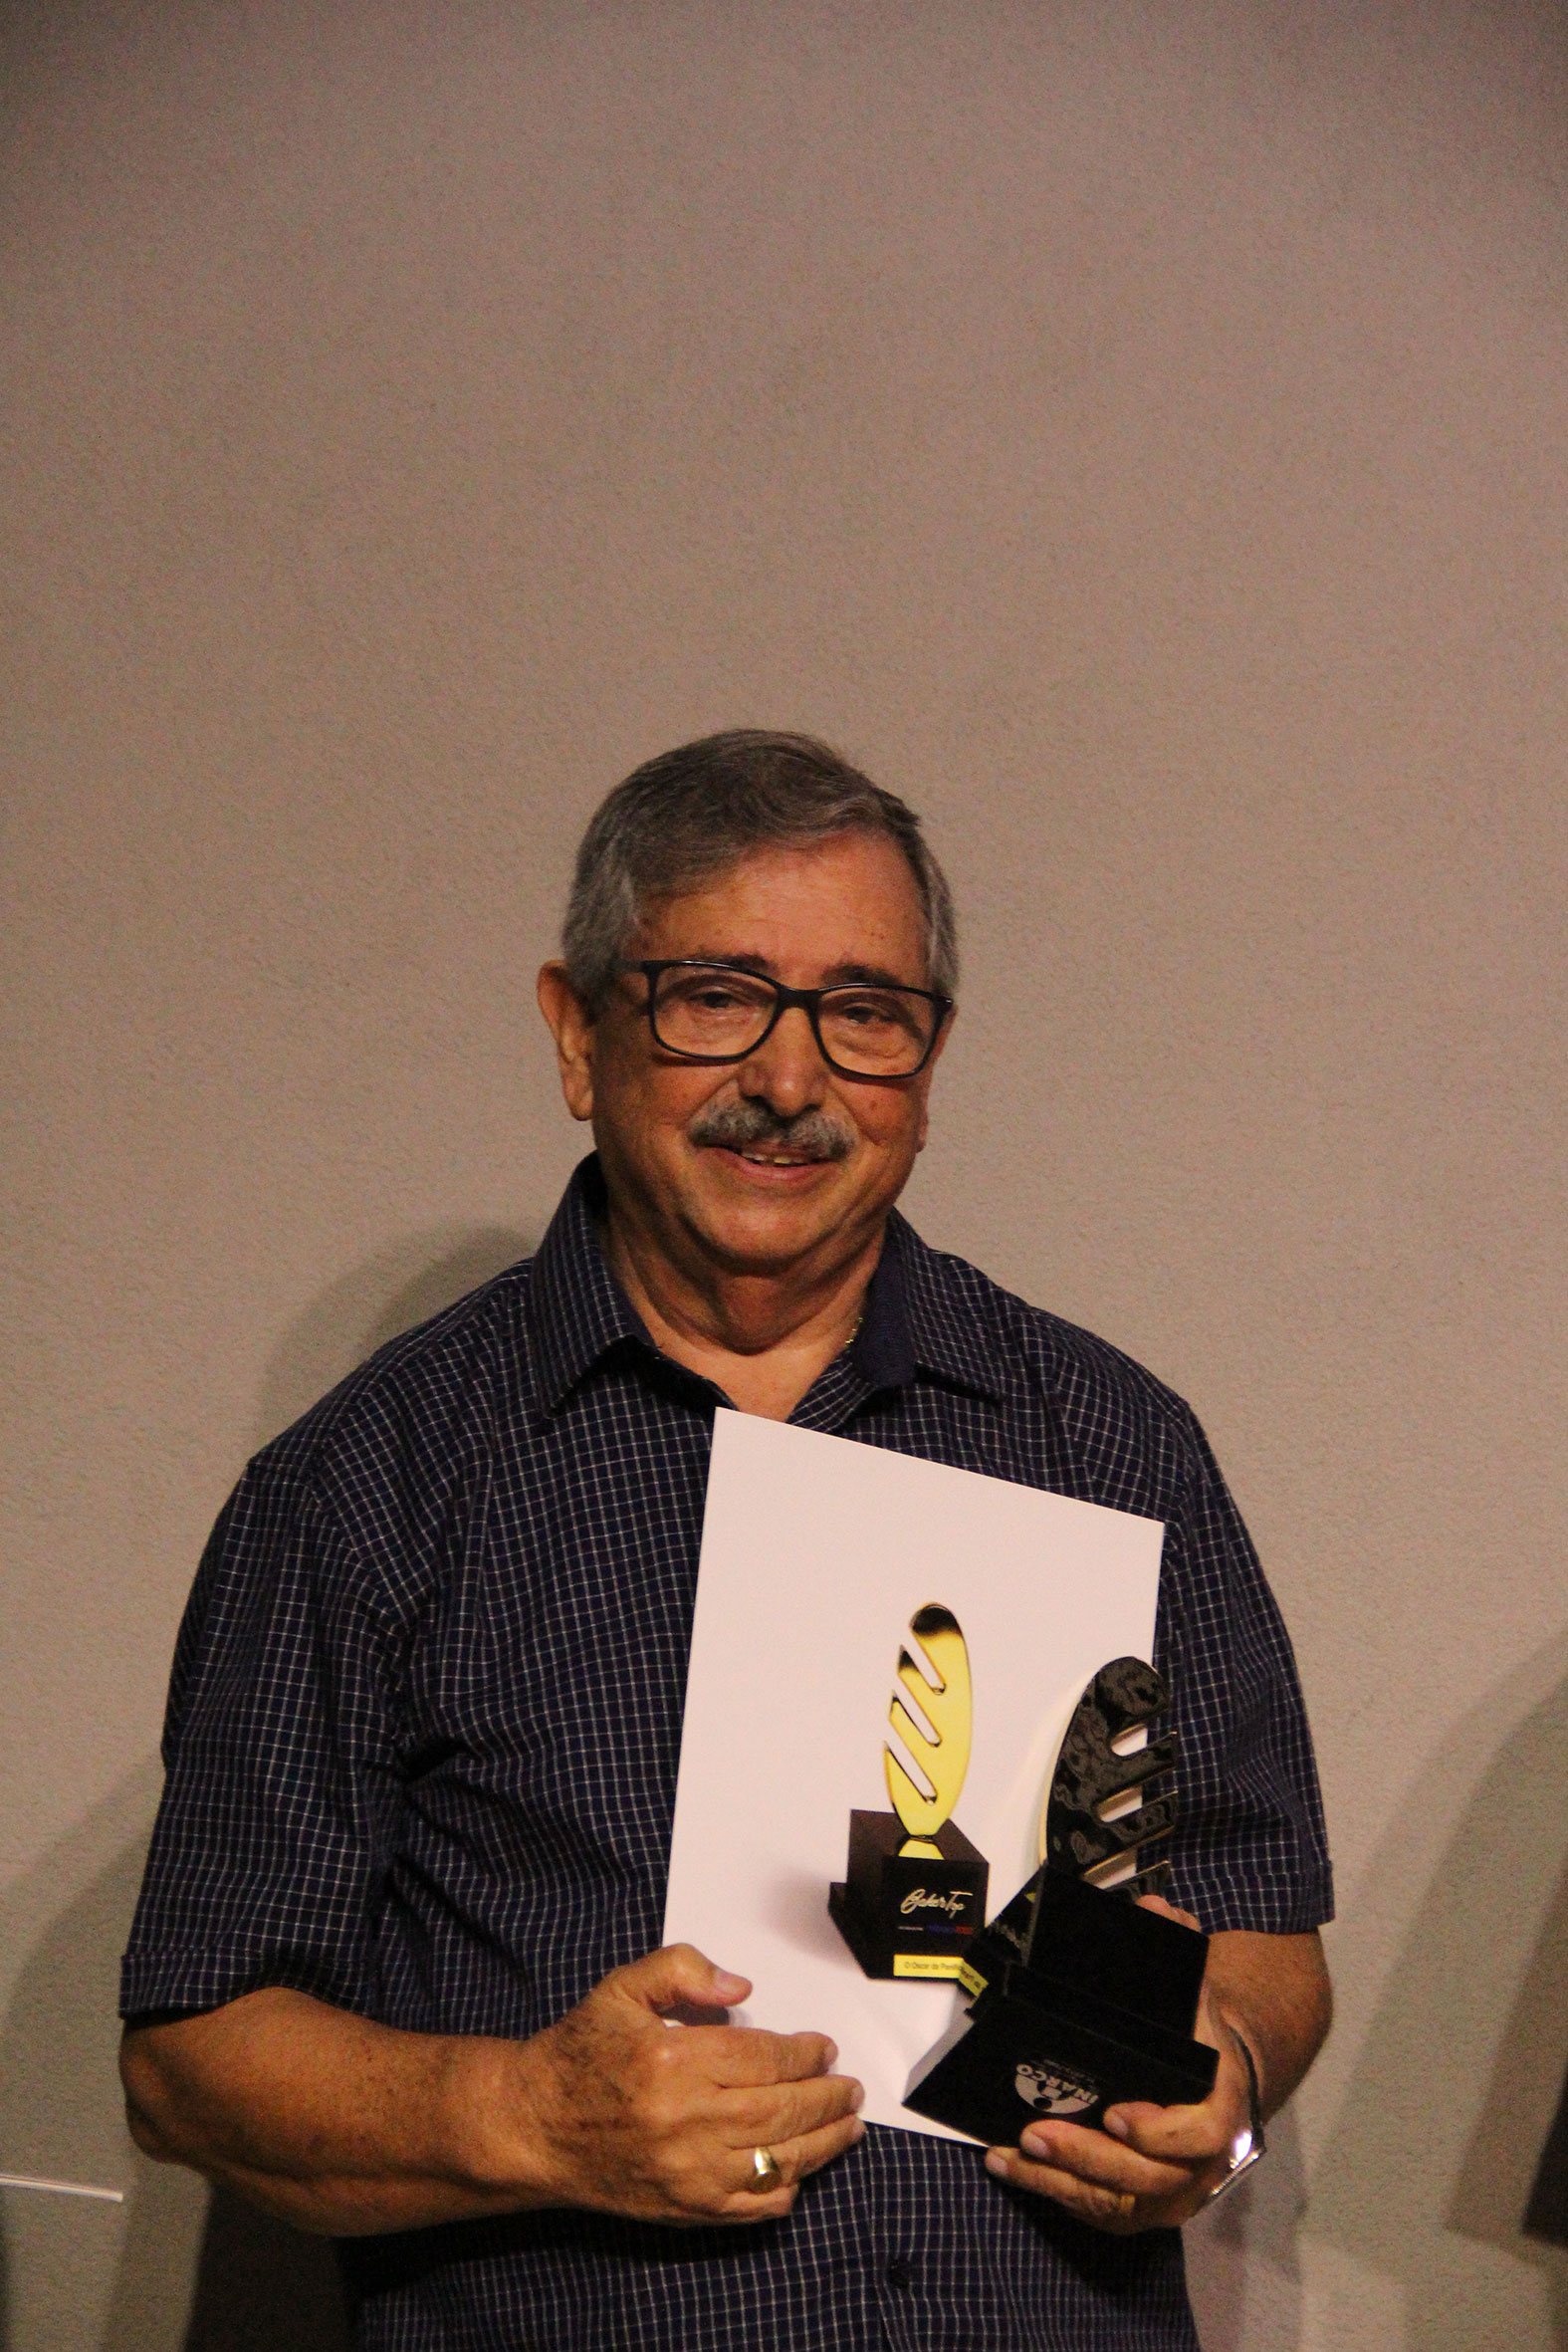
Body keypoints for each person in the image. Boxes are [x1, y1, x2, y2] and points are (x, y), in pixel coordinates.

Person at [120, 730, 1333, 2351]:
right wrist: (529, 2113)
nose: (789, 1079)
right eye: (715, 998)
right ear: (578, 1033)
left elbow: (1262, 1922)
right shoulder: (371, 1481)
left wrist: (1223, 2077)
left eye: (864, 1013)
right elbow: (189, 2054)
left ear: (930, 1062)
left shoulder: (1112, 1441)